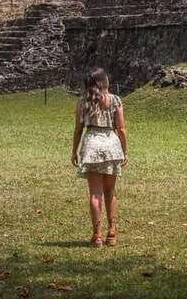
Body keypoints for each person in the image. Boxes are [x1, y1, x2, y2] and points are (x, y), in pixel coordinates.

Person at [71, 67, 127, 248]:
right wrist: (124, 151)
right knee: (110, 192)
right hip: (111, 144)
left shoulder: (82, 102)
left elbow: (78, 129)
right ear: (105, 81)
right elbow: (121, 129)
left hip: (92, 145)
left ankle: (97, 235)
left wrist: (74, 150)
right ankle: (112, 232)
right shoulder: (115, 100)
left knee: (95, 194)